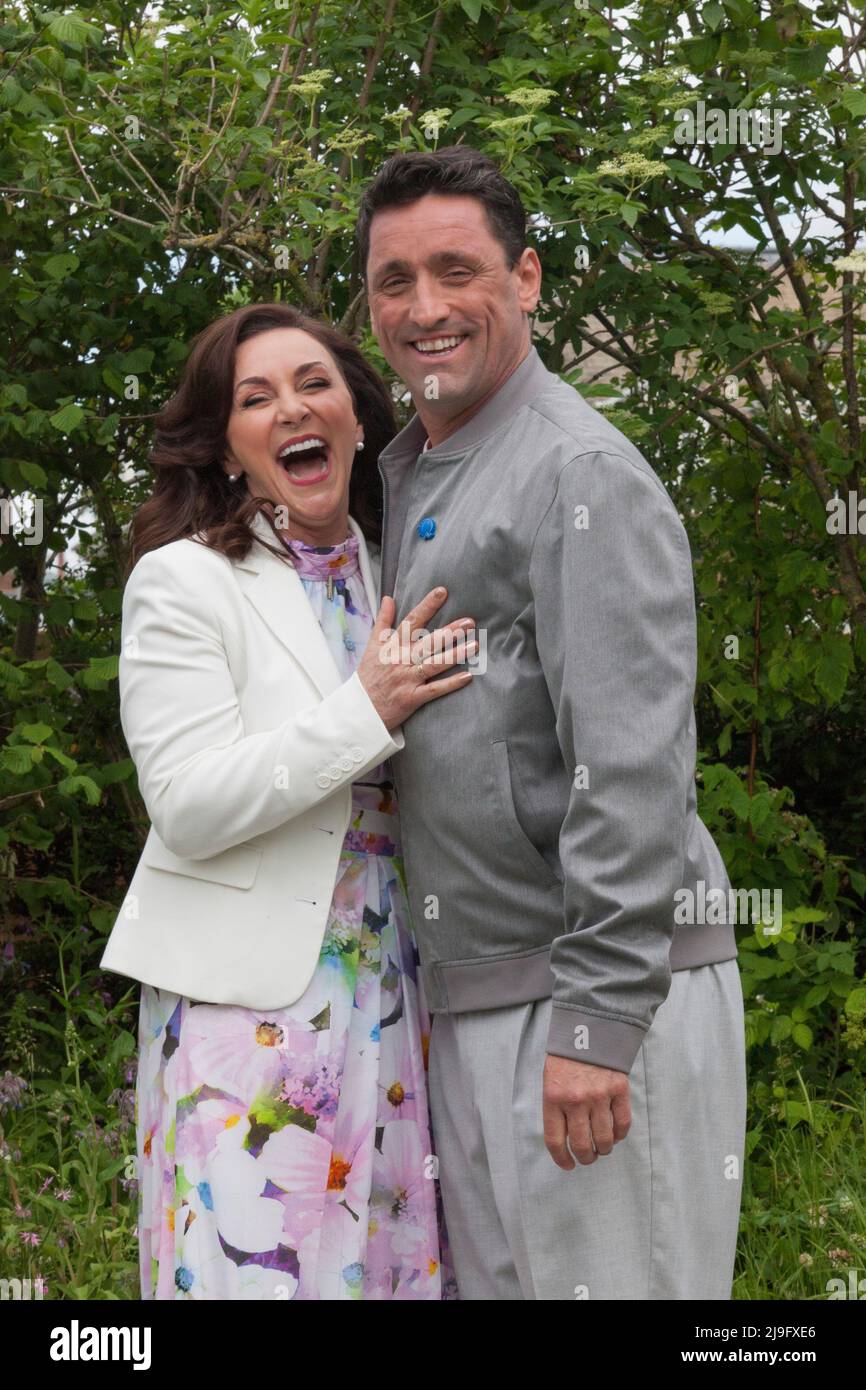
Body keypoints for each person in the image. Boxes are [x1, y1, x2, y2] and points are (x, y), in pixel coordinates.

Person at [354, 145, 748, 1300]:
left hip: (587, 999)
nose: (423, 308)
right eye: (392, 281)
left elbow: (630, 766)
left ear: (524, 280)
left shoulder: (579, 470)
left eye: (455, 269)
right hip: (476, 998)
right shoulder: (415, 470)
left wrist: (597, 1016)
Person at [100, 303, 474, 1299]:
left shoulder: (415, 570)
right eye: (253, 398)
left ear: (355, 415)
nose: (290, 408)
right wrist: (365, 708)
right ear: (227, 449)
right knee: (259, 1271)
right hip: (249, 1006)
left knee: (389, 1267)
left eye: (313, 383)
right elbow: (186, 803)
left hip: (404, 993)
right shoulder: (184, 583)